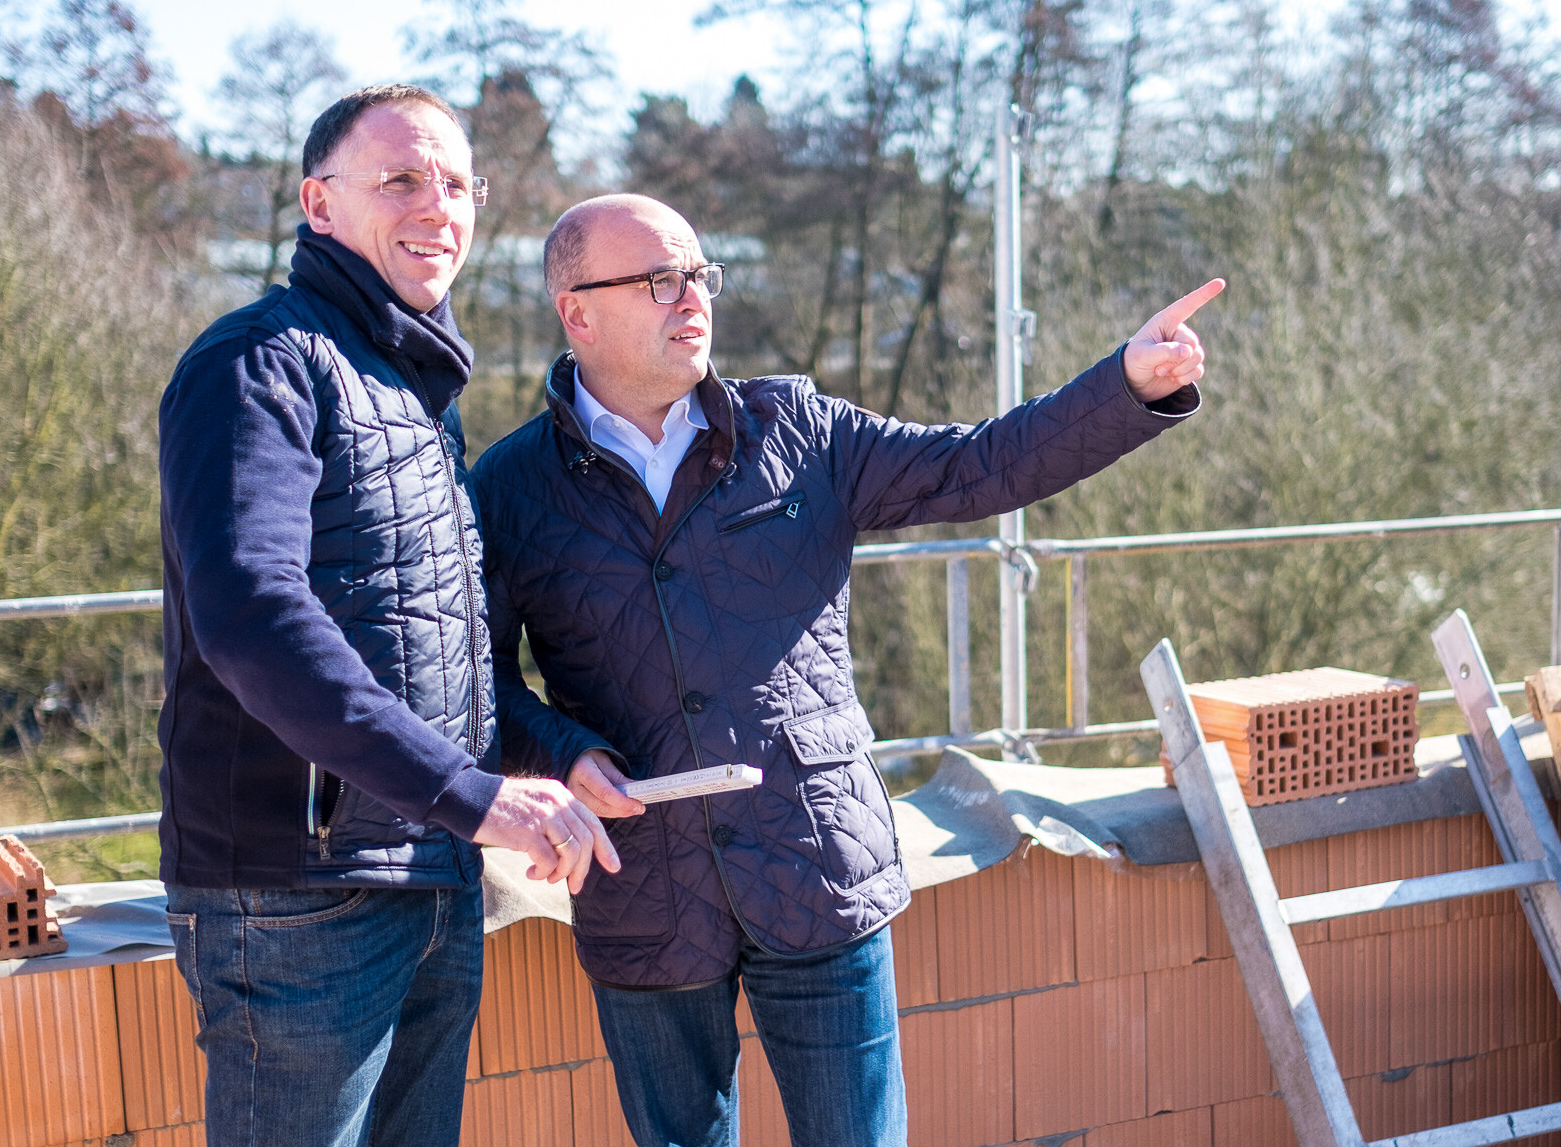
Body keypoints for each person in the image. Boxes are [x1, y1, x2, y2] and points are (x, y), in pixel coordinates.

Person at [471, 192, 1221, 1147]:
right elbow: (482, 683)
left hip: (813, 858)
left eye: (700, 275)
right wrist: (566, 755)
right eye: (660, 280)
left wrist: (1124, 383)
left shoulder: (797, 430)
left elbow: (977, 465)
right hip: (642, 890)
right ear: (577, 309)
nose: (691, 297)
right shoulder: (509, 486)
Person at [155, 85, 618, 1147]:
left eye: (455, 183)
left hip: (429, 873)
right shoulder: (259, 363)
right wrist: (470, 796)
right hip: (297, 894)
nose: (436, 204)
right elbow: (252, 619)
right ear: (318, 204)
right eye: (401, 177)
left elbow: (426, 645)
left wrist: (544, 765)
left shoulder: (411, 391)